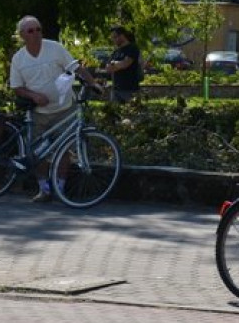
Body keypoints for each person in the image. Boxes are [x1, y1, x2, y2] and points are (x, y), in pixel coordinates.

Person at [9, 15, 100, 202]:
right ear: (22, 35)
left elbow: (75, 67)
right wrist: (33, 96)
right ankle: (44, 189)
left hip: (63, 108)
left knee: (64, 150)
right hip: (38, 112)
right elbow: (17, 87)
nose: (36, 34)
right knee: (36, 152)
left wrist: (93, 83)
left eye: (38, 29)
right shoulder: (18, 59)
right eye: (31, 31)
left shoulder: (55, 48)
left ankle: (59, 187)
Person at [104, 25, 141, 103]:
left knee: (132, 113)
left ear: (122, 36)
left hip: (130, 90)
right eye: (112, 38)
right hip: (115, 90)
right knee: (114, 114)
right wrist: (118, 65)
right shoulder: (116, 51)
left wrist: (114, 64)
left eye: (114, 37)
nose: (113, 40)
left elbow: (125, 64)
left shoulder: (132, 48)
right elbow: (108, 68)